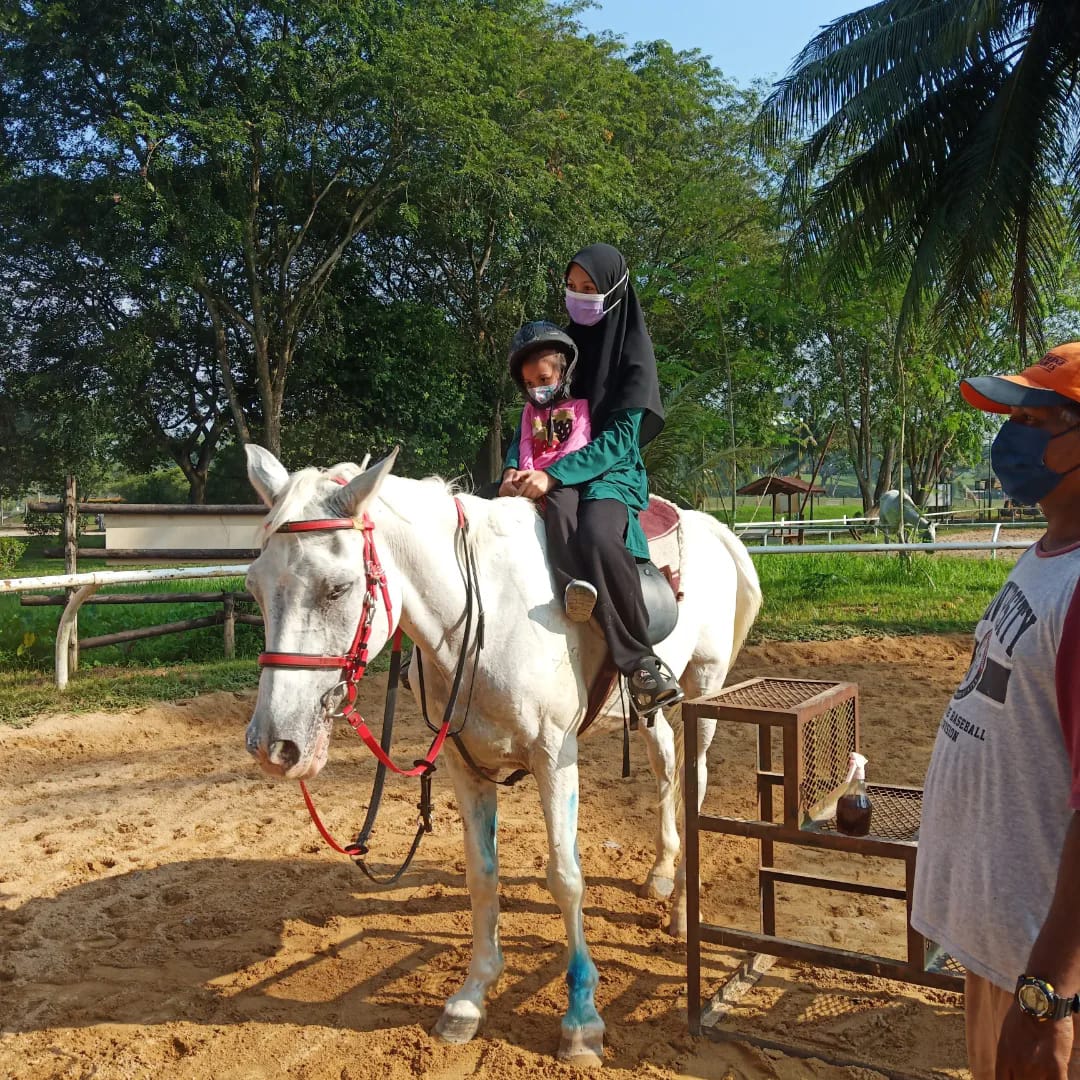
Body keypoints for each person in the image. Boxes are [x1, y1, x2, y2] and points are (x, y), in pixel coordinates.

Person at [911, 342, 1080, 1079]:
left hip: (1045, 970)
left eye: (1037, 420)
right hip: (1003, 943)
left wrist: (1050, 996)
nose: (1012, 437)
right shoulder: (1048, 553)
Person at [499, 243, 681, 716]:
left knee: (599, 535)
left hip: (610, 474)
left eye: (589, 288)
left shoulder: (633, 360)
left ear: (615, 290)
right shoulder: (563, 349)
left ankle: (641, 662)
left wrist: (552, 476)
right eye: (572, 287)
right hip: (550, 469)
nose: (579, 297)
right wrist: (512, 469)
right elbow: (531, 420)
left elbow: (620, 440)